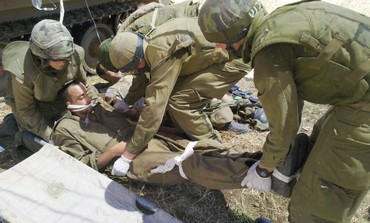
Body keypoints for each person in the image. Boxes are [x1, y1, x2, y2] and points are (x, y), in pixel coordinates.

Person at [197, 0, 370, 222]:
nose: (219, 48)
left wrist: (265, 167)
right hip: (356, 97)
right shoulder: (280, 19)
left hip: (363, 106)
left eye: (219, 41)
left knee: (323, 193)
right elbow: (292, 100)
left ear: (234, 36)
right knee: (319, 147)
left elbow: (284, 125)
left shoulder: (268, 53)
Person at [107, 17, 252, 175]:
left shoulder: (161, 53)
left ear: (138, 59)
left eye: (132, 68)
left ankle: (214, 148)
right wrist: (127, 101)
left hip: (235, 58)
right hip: (219, 53)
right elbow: (142, 77)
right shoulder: (147, 41)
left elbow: (154, 110)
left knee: (179, 101)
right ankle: (202, 125)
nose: (133, 72)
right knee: (178, 92)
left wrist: (128, 156)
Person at [53, 81, 264, 189]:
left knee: (201, 147)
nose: (88, 97)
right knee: (186, 163)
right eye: (82, 97)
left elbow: (127, 120)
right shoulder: (66, 129)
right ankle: (257, 176)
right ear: (68, 104)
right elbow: (81, 166)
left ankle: (259, 161)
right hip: (131, 159)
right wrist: (116, 151)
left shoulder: (99, 107)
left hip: (146, 140)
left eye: (87, 93)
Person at [2, 19, 97, 152]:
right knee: (41, 144)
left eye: (67, 57)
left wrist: (95, 106)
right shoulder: (23, 72)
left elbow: (84, 85)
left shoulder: (72, 55)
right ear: (42, 57)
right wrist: (50, 136)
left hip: (56, 99)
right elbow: (26, 109)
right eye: (59, 59)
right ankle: (11, 125)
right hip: (31, 106)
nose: (66, 61)